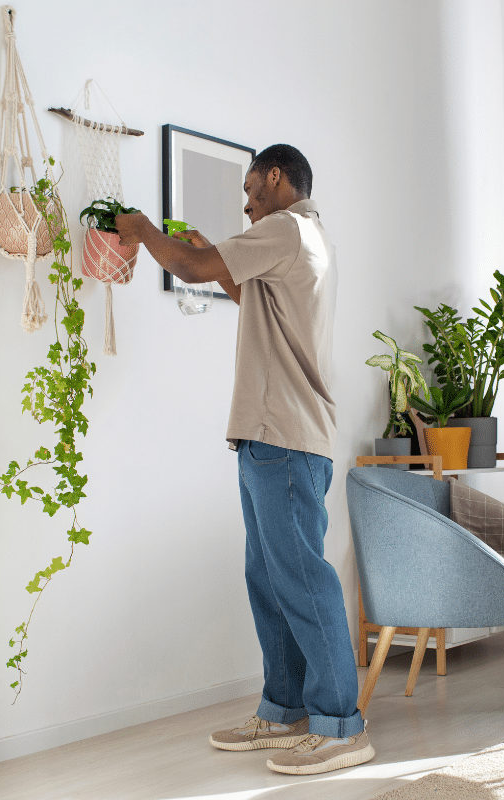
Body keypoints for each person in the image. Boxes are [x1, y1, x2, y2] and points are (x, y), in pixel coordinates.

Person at [112, 145, 373, 775]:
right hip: (271, 438)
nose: (247, 204)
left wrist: (143, 230)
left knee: (302, 580)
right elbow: (236, 286)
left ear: (276, 177)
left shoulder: (285, 227)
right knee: (269, 579)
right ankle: (283, 711)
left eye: (250, 190)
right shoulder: (303, 238)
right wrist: (211, 253)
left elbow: (195, 268)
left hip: (282, 436)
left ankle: (341, 726)